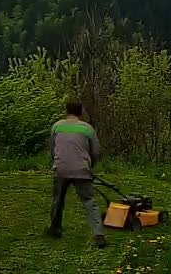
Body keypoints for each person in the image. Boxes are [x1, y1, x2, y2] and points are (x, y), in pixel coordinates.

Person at [47, 100, 106, 248]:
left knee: (57, 200)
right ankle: (98, 233)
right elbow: (96, 151)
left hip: (61, 169)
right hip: (82, 169)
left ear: (66, 111)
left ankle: (54, 228)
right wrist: (90, 165)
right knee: (89, 202)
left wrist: (56, 163)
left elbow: (52, 149)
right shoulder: (87, 128)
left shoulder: (57, 126)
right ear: (81, 112)